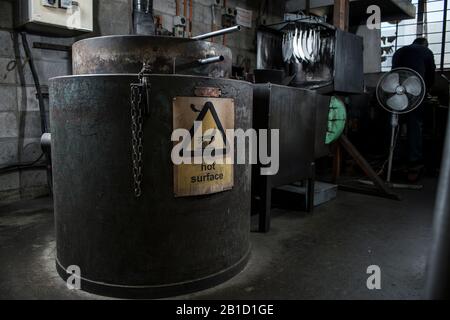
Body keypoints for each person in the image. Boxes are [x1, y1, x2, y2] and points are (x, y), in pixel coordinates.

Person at [391, 37, 436, 181]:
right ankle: (413, 163)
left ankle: (394, 160)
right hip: (415, 94)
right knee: (414, 125)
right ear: (425, 44)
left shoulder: (400, 51)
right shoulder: (426, 51)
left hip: (396, 92)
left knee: (394, 126)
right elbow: (430, 76)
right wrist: (426, 90)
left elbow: (393, 73)